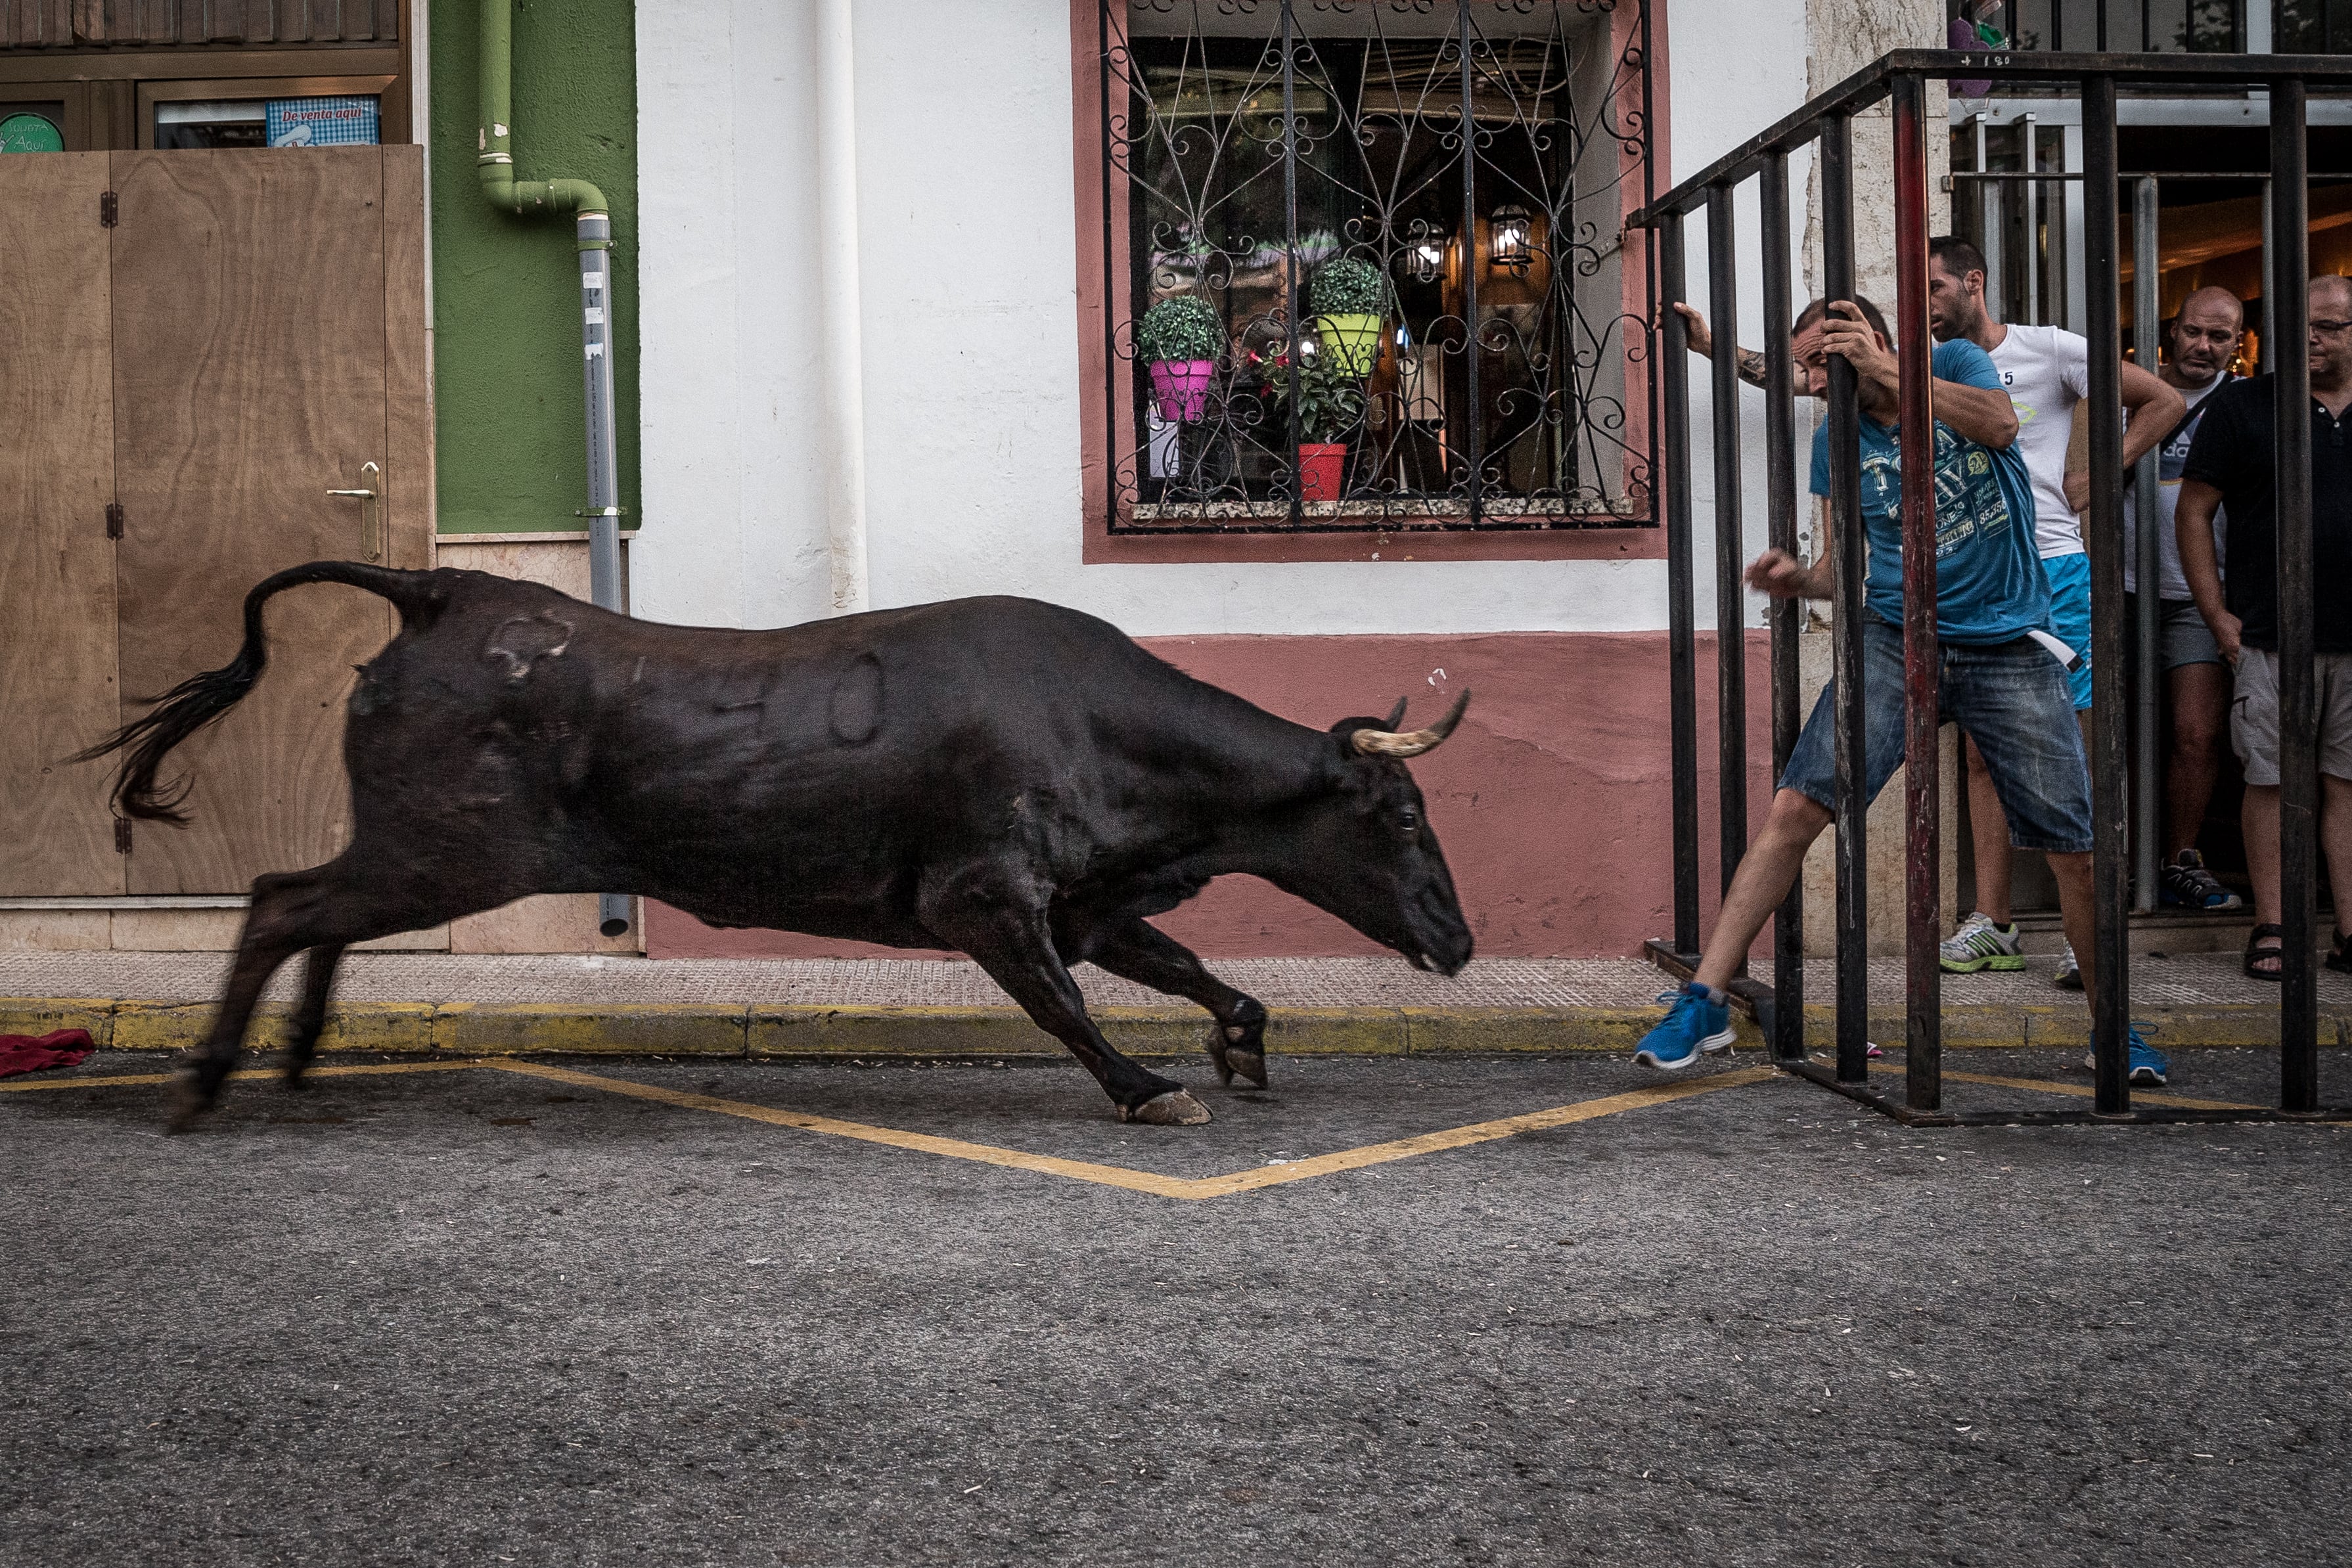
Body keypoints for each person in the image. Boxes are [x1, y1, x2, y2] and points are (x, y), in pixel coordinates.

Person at [1641, 294, 2169, 1085]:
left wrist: (1888, 368)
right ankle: (1707, 996)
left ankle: (2111, 1029)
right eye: (1807, 368)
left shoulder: (1953, 365)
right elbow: (1844, 562)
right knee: (1795, 806)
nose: (1816, 383)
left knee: (2075, 851)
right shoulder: (1836, 436)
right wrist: (1801, 581)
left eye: (1825, 362)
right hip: (1895, 639)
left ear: (1874, 345)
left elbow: (1998, 427)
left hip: (2005, 642)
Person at [1922, 236, 2185, 988]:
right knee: (1979, 752)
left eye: (1939, 287)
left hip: (2054, 571)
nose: (1930, 302)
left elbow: (2161, 400)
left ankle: (2084, 931)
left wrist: (2102, 469)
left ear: (1974, 282)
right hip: (1977, 574)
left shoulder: (2051, 349)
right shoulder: (1933, 364)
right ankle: (1994, 921)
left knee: (2067, 751)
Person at [2175, 274, 2352, 983]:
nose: (2310, 337)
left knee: (2347, 784)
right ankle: (2273, 926)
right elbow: (2193, 511)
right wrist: (2216, 611)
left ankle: (2348, 929)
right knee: (2272, 781)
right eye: (2301, 324)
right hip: (2271, 630)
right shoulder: (2246, 404)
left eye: (2329, 326)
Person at [2123, 287, 2249, 913]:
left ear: (2238, 343)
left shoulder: (2245, 404)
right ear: (2171, 331)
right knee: (2108, 734)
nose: (2204, 347)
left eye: (2219, 337)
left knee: (2197, 736)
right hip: (2113, 588)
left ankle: (2178, 861)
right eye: (2194, 332)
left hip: (2200, 594)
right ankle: (2113, 863)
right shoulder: (2126, 392)